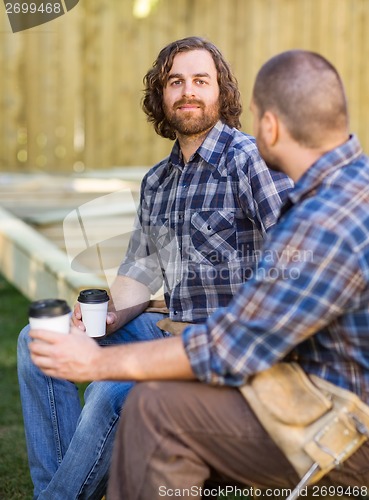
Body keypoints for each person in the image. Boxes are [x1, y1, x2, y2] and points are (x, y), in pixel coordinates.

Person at [29, 49, 369, 499]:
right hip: (178, 328)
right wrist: (108, 318)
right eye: (175, 81)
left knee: (114, 391)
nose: (188, 90)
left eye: (201, 80)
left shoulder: (253, 164)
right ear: (160, 95)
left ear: (223, 93)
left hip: (232, 340)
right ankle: (58, 484)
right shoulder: (158, 182)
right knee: (39, 339)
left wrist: (98, 362)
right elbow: (140, 268)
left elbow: (270, 299)